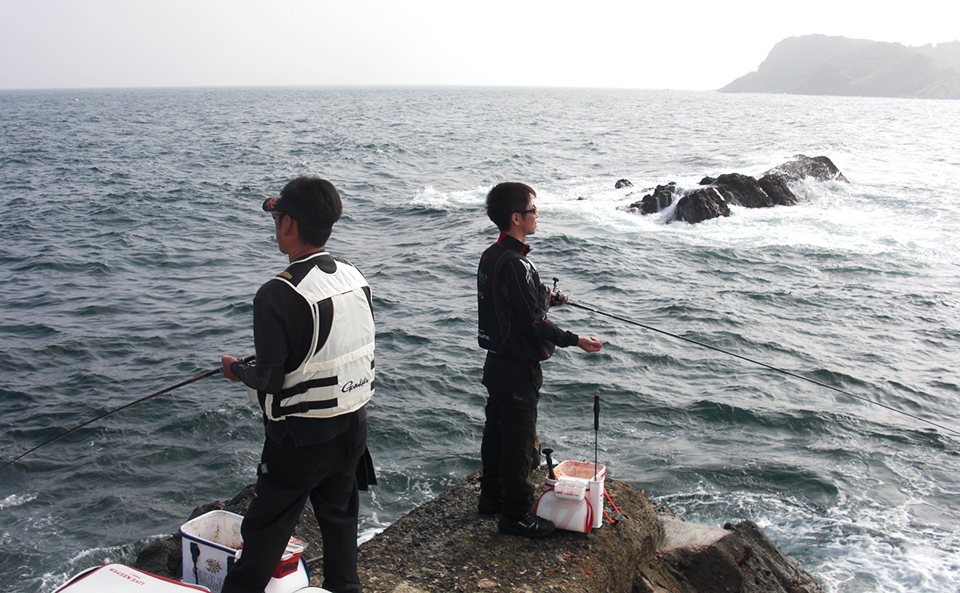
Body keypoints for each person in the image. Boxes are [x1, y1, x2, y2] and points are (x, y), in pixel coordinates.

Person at [220, 176, 375, 593]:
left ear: (288, 225)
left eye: (277, 219)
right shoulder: (354, 276)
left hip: (298, 442)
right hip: (352, 428)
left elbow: (269, 380)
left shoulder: (277, 293)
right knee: (340, 522)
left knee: (265, 531)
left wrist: (236, 370)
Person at [476, 182, 603, 538]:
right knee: (517, 444)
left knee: (496, 434)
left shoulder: (491, 255)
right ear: (516, 218)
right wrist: (575, 340)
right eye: (533, 211)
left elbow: (515, 302)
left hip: (496, 364)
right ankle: (515, 515)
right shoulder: (517, 265)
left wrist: (547, 297)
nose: (537, 216)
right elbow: (532, 324)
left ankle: (492, 498)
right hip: (518, 369)